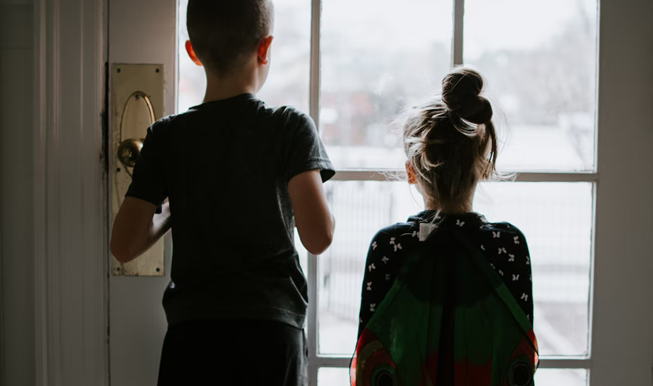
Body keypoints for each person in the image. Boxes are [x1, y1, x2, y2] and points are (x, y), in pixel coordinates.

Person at [110, 0, 335, 384]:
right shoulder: (289, 127)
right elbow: (318, 237)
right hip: (271, 330)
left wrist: (171, 212)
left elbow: (124, 245)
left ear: (192, 52)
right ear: (265, 48)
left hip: (194, 334)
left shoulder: (167, 136)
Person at [351, 67, 537, 386]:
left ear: (412, 171)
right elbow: (517, 356)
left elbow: (372, 353)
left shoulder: (389, 245)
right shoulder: (508, 245)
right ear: (483, 165)